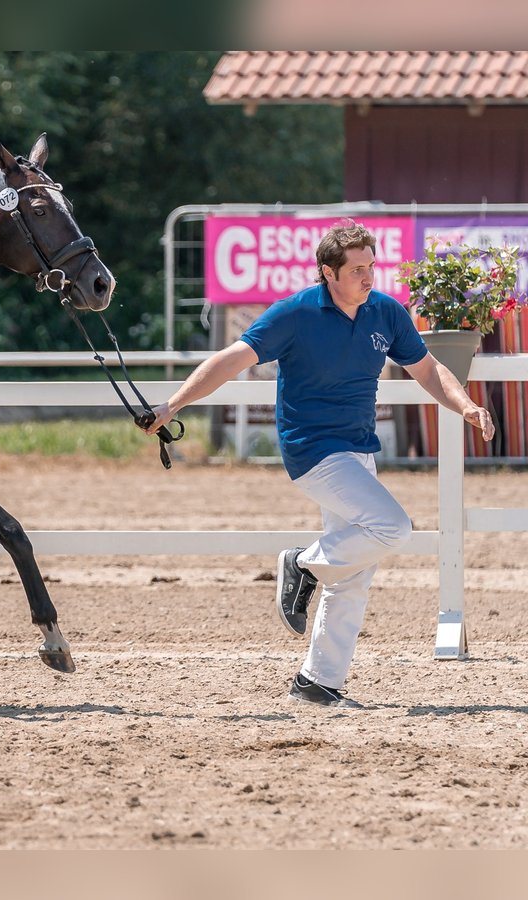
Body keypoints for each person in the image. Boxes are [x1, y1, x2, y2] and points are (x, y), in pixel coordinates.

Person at [141, 219, 495, 709]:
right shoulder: (295, 313)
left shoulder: (385, 313)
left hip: (359, 449)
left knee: (354, 569)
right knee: (392, 527)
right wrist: (172, 405)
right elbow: (228, 361)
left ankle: (317, 682)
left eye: (372, 267)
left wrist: (466, 406)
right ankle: (302, 563)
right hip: (312, 450)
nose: (369, 278)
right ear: (328, 272)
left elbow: (428, 369)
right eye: (357, 270)